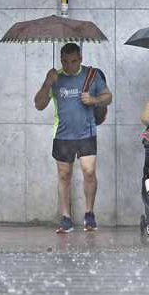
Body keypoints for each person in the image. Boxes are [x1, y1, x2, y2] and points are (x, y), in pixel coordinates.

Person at [33, 42, 112, 233]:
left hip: (87, 132)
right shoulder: (55, 77)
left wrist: (94, 100)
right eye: (65, 61)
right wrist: (46, 83)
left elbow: (108, 96)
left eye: (74, 61)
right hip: (63, 134)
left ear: (81, 59)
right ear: (61, 60)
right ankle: (66, 218)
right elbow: (39, 104)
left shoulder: (91, 75)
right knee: (64, 175)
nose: (69, 65)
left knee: (89, 171)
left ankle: (89, 214)